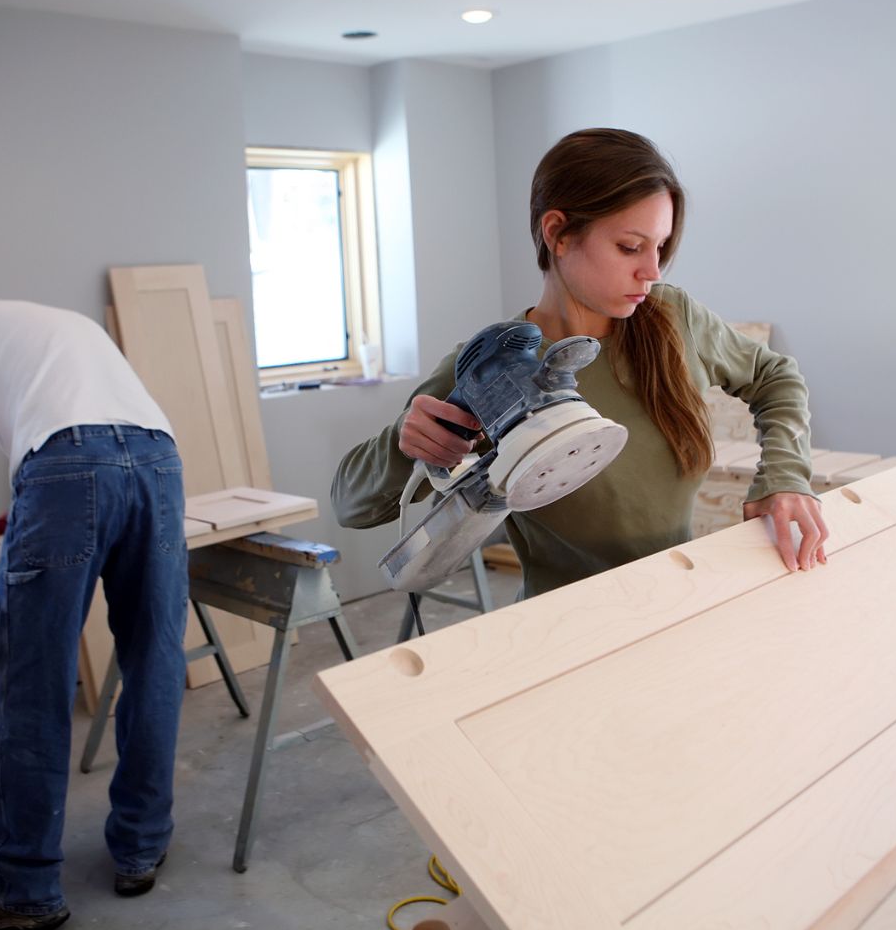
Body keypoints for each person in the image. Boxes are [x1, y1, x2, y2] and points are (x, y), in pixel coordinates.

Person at [332, 128, 828, 599]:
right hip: (566, 632)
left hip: (677, 603)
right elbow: (349, 504)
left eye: (660, 247)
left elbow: (775, 377)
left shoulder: (674, 320)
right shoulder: (493, 368)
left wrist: (785, 475)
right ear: (558, 233)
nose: (651, 271)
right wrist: (407, 442)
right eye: (630, 247)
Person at [0, 300, 189, 930]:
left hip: (64, 459)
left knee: (35, 686)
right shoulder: (67, 326)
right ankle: (141, 847)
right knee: (155, 662)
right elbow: (112, 450)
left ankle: (25, 889)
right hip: (160, 459)